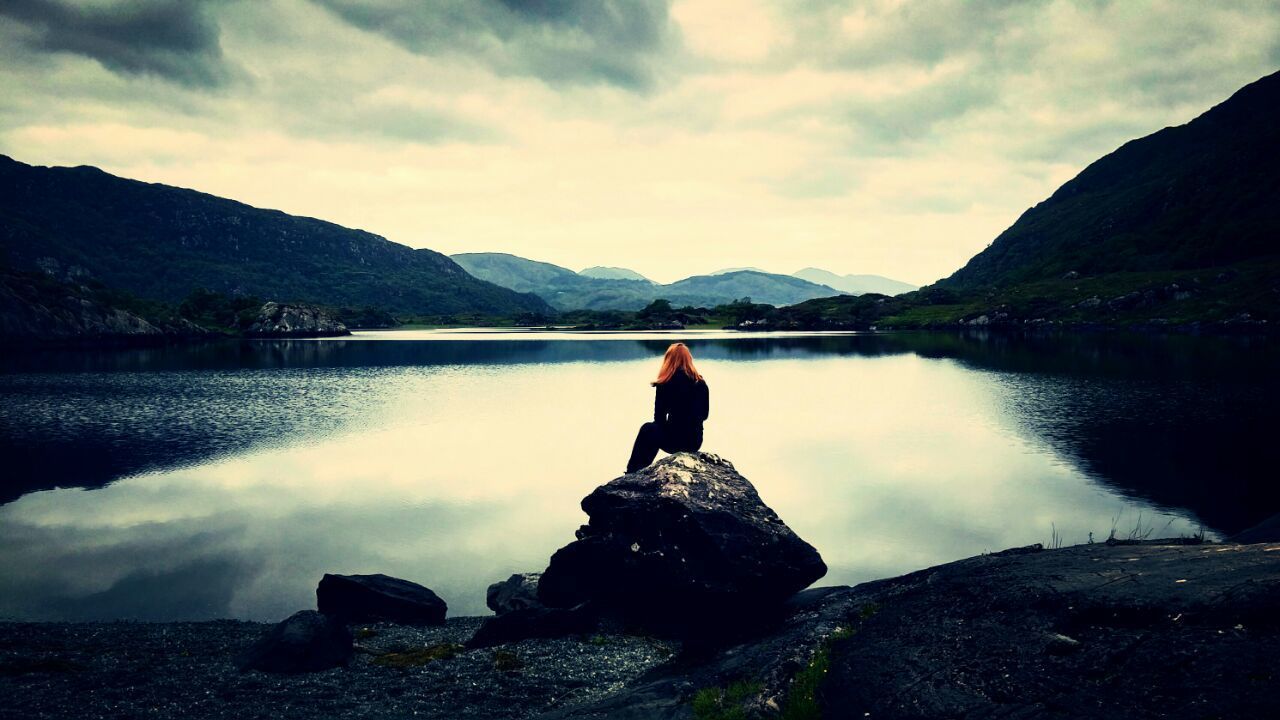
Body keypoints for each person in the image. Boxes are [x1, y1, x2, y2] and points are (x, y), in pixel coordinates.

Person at [626, 342, 710, 473]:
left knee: (648, 429)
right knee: (652, 429)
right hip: (694, 442)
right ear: (689, 359)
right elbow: (704, 415)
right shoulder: (700, 383)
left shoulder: (665, 383)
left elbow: (659, 418)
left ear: (668, 360)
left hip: (675, 441)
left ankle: (634, 472)